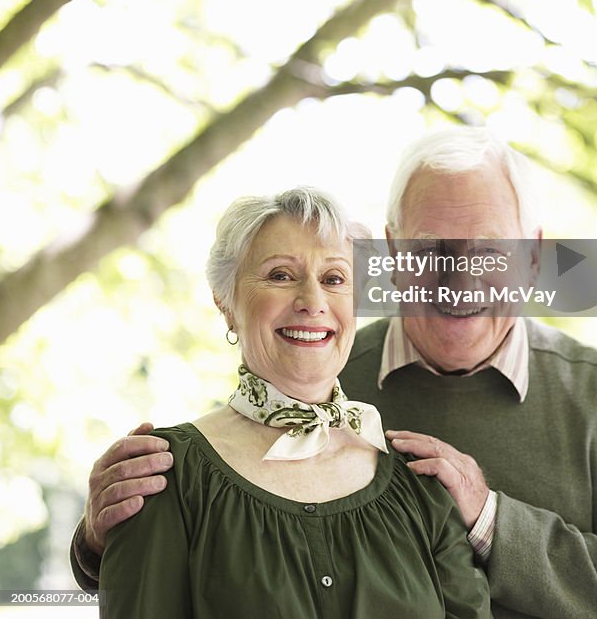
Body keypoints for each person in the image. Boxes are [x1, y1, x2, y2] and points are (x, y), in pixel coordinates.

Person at [72, 129, 597, 619]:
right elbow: (218, 528)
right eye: (431, 249)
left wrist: (492, 522)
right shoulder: (321, 366)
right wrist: (100, 539)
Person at [93, 186, 490, 618]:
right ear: (225, 302)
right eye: (280, 275)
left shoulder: (420, 483)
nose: (313, 302)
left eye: (334, 279)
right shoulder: (164, 477)